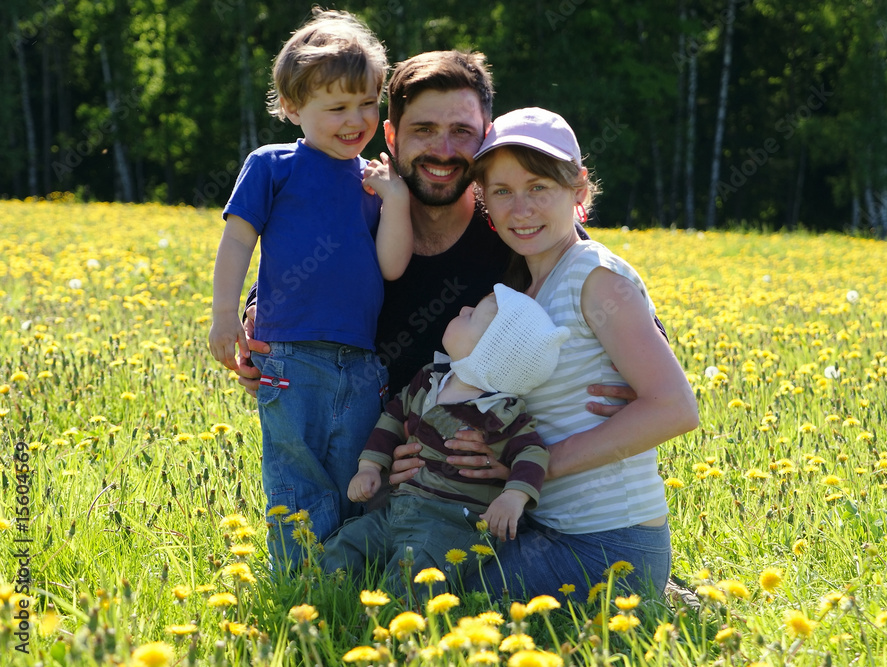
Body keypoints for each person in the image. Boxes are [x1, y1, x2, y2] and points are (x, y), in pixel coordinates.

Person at [234, 50, 636, 476]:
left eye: (461, 132)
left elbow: (583, 265)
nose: (443, 150)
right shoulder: (361, 208)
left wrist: (632, 359)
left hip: (483, 484)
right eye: (424, 129)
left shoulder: (512, 228)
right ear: (391, 136)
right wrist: (261, 318)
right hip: (366, 466)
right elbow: (301, 259)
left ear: (485, 138)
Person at [452, 107, 700, 598]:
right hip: (552, 528)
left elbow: (675, 408)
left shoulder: (595, 277)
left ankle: (656, 592)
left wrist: (532, 467)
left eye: (539, 187)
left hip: (609, 542)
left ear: (579, 189)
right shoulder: (526, 285)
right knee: (426, 568)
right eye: (502, 191)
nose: (519, 209)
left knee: (448, 601)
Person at [207, 9, 412, 569]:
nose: (356, 120)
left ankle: (344, 577)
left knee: (355, 478)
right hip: (289, 355)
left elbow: (391, 267)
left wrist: (395, 201)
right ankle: (299, 580)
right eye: (337, 107)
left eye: (368, 104)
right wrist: (226, 313)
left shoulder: (374, 182)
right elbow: (237, 242)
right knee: (296, 474)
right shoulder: (272, 166)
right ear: (294, 109)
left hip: (364, 362)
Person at [320, 285, 569, 593]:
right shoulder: (429, 378)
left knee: (416, 574)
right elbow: (392, 418)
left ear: (487, 353)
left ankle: (396, 630)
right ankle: (327, 604)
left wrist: (513, 497)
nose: (463, 310)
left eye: (473, 315)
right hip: (398, 510)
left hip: (451, 524)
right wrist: (369, 466)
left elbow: (532, 452)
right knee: (345, 546)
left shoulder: (501, 413)